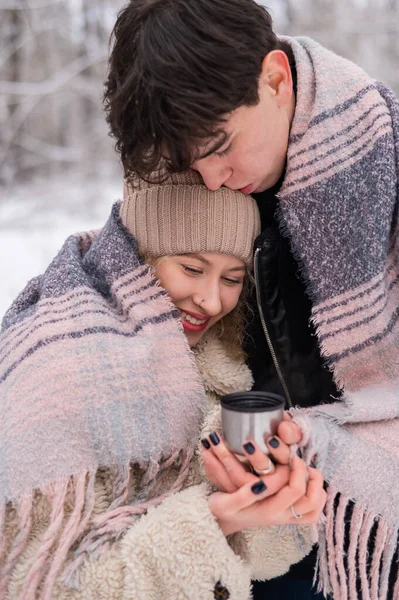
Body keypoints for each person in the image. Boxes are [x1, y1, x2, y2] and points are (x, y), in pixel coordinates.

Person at [102, 0, 399, 598]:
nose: (210, 179)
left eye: (219, 146)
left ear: (276, 78)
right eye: (191, 161)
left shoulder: (382, 161)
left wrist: (328, 439)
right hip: (249, 518)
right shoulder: (193, 160)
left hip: (371, 511)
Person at [0, 170, 326, 600]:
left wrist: (267, 500)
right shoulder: (60, 366)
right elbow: (33, 583)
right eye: (192, 268)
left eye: (232, 278)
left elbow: (255, 565)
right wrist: (210, 521)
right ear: (135, 258)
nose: (212, 301)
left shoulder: (214, 356)